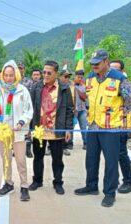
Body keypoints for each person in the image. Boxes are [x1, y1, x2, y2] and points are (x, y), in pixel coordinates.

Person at [74, 50, 131, 207]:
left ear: (106, 61)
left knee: (111, 162)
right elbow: (88, 99)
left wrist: (120, 116)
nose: (94, 66)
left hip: (111, 128)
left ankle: (110, 193)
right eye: (92, 63)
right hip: (93, 126)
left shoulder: (119, 79)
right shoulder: (90, 78)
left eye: (97, 63)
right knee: (91, 158)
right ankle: (91, 186)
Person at [0, 60, 33, 201]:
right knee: (6, 159)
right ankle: (8, 183)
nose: (8, 78)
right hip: (3, 131)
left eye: (11, 75)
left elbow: (28, 111)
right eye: (6, 75)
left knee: (20, 159)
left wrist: (21, 122)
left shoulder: (22, 90)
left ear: (16, 75)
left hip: (18, 131)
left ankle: (24, 186)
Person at [29, 60, 73, 195]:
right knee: (38, 157)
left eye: (49, 73)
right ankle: (37, 180)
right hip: (39, 129)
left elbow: (70, 110)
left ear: (56, 73)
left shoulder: (64, 89)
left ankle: (58, 182)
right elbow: (31, 108)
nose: (46, 75)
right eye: (44, 72)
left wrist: (68, 129)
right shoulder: (36, 87)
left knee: (57, 159)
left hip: (56, 129)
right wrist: (30, 128)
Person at [109, 60, 131, 194]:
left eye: (116, 70)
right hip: (107, 125)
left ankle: (128, 181)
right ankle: (113, 179)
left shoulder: (127, 84)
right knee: (111, 154)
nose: (113, 72)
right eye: (111, 69)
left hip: (122, 125)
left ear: (122, 71)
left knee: (121, 153)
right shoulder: (107, 84)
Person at [59, 70, 74, 156]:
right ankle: (50, 148)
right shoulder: (57, 87)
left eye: (68, 77)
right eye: (65, 76)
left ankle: (65, 147)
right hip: (58, 111)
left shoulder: (71, 86)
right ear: (60, 76)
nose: (67, 78)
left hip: (67, 110)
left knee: (66, 129)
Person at [73, 70, 88, 150]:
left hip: (82, 110)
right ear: (75, 77)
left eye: (81, 77)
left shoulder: (84, 86)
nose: (79, 79)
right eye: (78, 77)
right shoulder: (71, 86)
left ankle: (85, 143)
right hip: (73, 110)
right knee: (71, 127)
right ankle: (70, 143)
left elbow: (87, 98)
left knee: (84, 127)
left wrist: (87, 107)